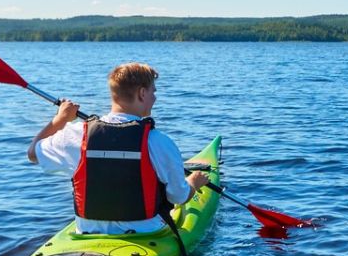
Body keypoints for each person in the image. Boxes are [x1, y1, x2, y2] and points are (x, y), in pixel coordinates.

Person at [27, 62, 211, 235]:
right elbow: (179, 197)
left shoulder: (75, 135)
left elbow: (33, 153)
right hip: (146, 233)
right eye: (153, 92)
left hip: (87, 234)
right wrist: (193, 183)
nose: (154, 97)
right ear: (142, 93)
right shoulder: (159, 142)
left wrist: (60, 120)